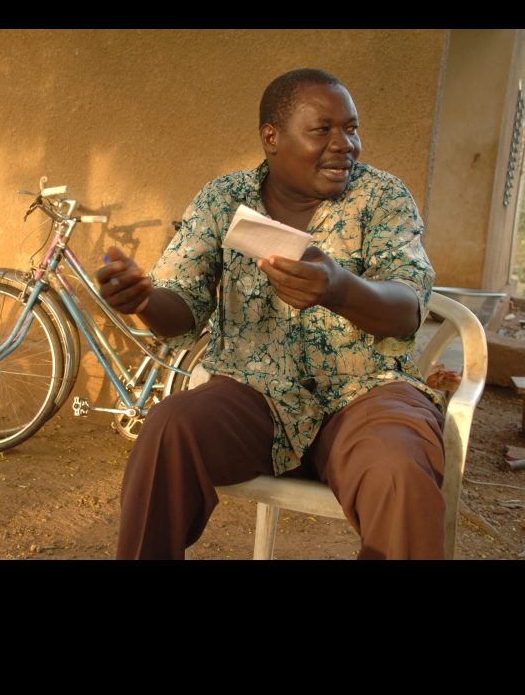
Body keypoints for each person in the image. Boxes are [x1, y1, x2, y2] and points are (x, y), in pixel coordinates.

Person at [95, 68, 446, 560]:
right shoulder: (223, 199)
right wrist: (145, 301)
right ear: (271, 137)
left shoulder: (382, 197)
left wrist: (339, 288)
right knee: (168, 430)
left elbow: (407, 310)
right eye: (323, 130)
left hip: (369, 392)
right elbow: (183, 311)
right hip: (252, 394)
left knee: (399, 468)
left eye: (352, 127)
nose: (345, 144)